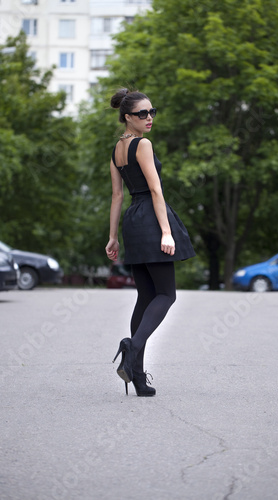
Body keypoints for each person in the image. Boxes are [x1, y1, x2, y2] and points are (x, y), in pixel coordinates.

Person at [106, 88, 195, 397]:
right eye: (142, 113)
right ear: (127, 117)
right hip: (150, 221)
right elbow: (156, 191)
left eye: (152, 112)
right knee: (166, 295)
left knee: (145, 298)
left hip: (133, 220)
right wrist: (166, 231)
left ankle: (138, 378)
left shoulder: (117, 148)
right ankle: (132, 347)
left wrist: (113, 235)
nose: (149, 118)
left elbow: (118, 196)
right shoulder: (142, 144)